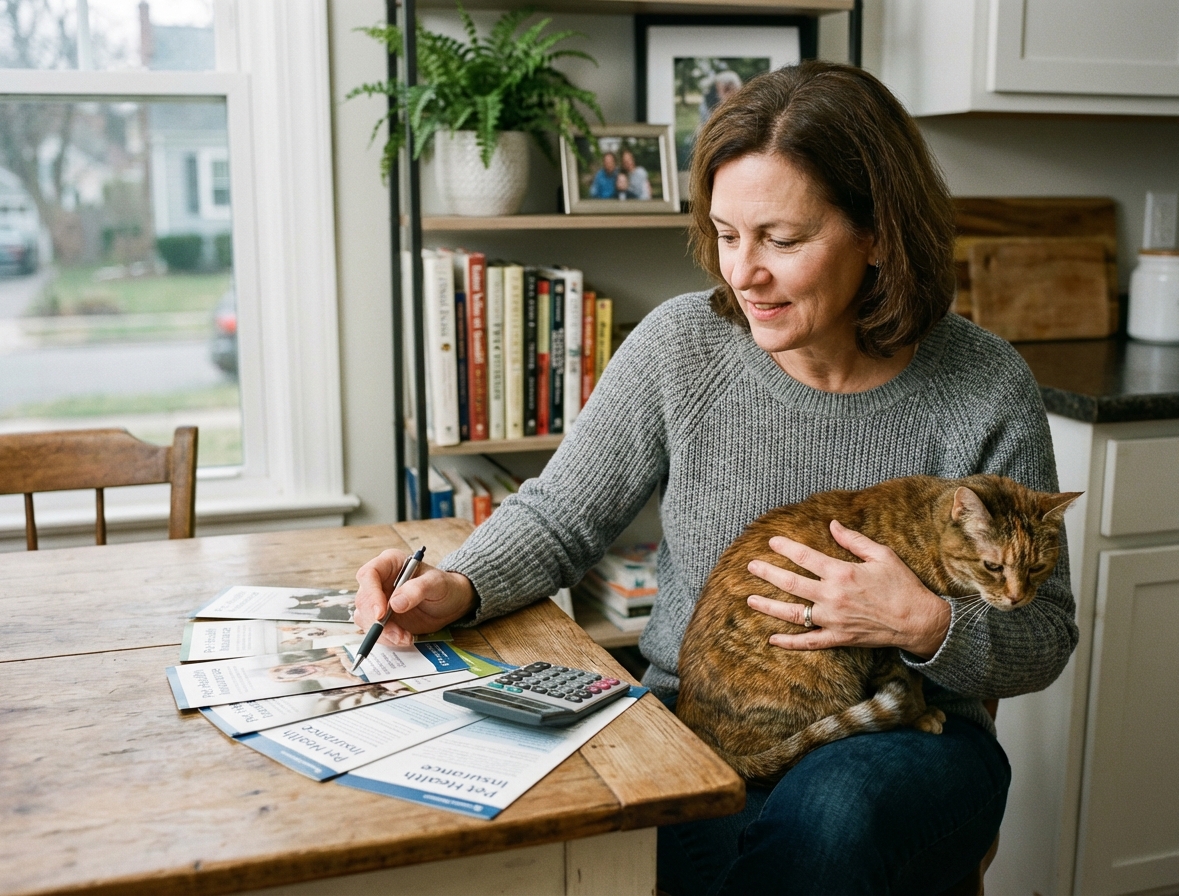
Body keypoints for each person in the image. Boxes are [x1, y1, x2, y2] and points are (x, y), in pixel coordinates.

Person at [354, 60, 1077, 895]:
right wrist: (455, 585)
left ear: (878, 234)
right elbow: (560, 515)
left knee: (830, 821)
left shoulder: (985, 383)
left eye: (783, 239)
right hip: (701, 720)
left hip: (914, 738)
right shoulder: (681, 347)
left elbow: (1045, 637)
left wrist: (922, 622)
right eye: (728, 235)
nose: (743, 273)